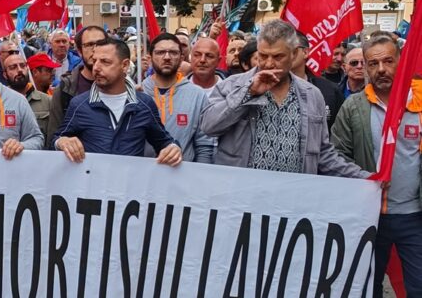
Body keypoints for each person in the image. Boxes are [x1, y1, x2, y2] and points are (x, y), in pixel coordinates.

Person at [200, 19, 368, 177]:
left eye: (278, 56)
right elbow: (209, 126)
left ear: (294, 54)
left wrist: (363, 178)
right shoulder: (232, 86)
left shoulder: (312, 95)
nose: (269, 64)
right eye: (263, 56)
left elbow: (323, 153)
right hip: (242, 196)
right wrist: (248, 93)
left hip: (291, 198)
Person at [331, 35, 422, 297]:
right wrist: (365, 178)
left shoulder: (419, 102)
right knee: (366, 287)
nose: (381, 69)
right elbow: (336, 155)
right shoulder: (353, 107)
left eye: (388, 61)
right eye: (373, 64)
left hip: (414, 216)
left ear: (401, 61)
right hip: (370, 217)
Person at [52, 38, 182, 165]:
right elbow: (57, 138)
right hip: (93, 184)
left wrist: (173, 148)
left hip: (130, 184)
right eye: (94, 60)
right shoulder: (79, 104)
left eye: (105, 62)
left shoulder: (144, 105)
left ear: (124, 65)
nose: (96, 67)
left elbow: (163, 141)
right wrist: (62, 142)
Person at [141, 33, 214, 163]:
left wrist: (200, 178)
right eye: (160, 52)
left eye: (173, 53)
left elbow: (204, 145)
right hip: (143, 176)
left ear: (181, 58)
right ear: (150, 57)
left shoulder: (197, 95)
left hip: (182, 177)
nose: (167, 57)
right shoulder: (139, 93)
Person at [46, 26, 108, 147]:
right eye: (89, 45)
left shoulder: (122, 86)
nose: (95, 49)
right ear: (79, 51)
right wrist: (61, 142)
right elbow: (53, 137)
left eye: (100, 44)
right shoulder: (65, 89)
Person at [291, 32, 344, 131]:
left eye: (292, 50)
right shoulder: (268, 89)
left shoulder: (329, 90)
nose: (285, 55)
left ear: (305, 52)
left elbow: (339, 134)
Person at [3, 54, 51, 144]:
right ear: (5, 75)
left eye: (22, 66)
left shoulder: (47, 101)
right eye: (13, 67)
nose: (19, 70)